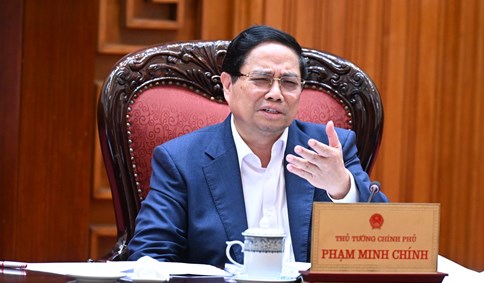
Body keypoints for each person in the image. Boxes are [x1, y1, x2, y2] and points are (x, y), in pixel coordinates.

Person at [127, 25, 388, 266]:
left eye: (289, 83)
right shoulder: (181, 161)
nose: (275, 94)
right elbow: (150, 254)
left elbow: (385, 239)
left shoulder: (329, 150)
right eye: (261, 79)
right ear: (228, 85)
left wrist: (342, 187)